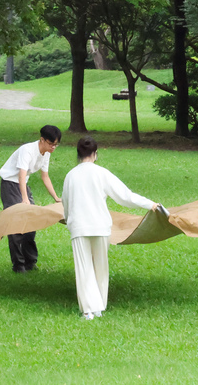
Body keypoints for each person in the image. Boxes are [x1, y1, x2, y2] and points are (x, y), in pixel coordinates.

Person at [62, 136, 158, 320]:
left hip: (80, 226)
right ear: (95, 154)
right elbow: (125, 196)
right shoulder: (101, 173)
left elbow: (66, 204)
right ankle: (97, 307)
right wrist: (150, 204)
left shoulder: (70, 176)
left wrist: (69, 221)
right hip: (99, 225)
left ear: (78, 154)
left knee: (84, 268)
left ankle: (90, 310)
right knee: (100, 266)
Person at [0, 125, 63, 273]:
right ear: (42, 140)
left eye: (56, 144)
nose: (53, 147)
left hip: (22, 184)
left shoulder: (46, 153)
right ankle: (18, 265)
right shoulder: (27, 150)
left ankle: (30, 262)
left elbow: (44, 176)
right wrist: (25, 199)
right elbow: (21, 174)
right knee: (15, 225)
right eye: (51, 144)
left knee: (31, 223)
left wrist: (56, 197)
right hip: (10, 184)